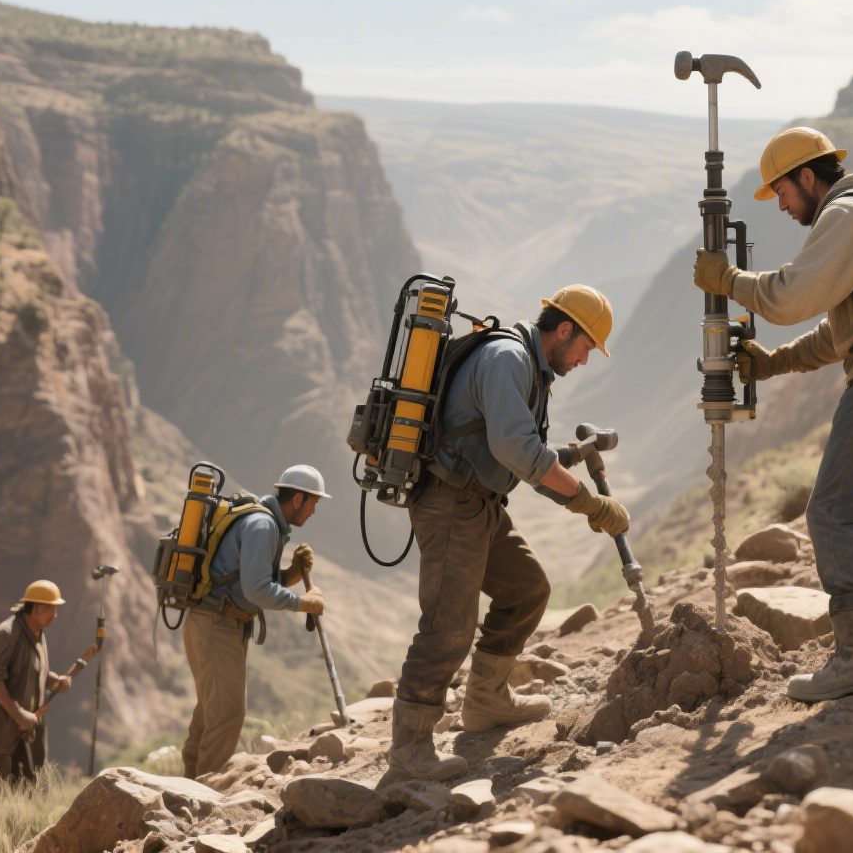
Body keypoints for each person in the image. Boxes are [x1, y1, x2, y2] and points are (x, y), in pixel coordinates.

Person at [693, 127, 853, 703]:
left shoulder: (847, 217)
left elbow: (790, 298)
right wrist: (771, 365)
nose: (783, 206)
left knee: (835, 514)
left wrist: (728, 280)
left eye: (783, 193)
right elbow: (849, 330)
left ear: (807, 177)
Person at [387, 285, 629, 780]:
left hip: (480, 500)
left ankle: (485, 701)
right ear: (564, 331)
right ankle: (410, 748)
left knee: (526, 590)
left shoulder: (528, 367)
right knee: (448, 625)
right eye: (586, 347)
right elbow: (517, 450)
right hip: (451, 502)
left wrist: (560, 459)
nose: (584, 360)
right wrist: (587, 502)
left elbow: (513, 448)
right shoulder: (507, 359)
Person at [180, 465, 328, 779]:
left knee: (212, 710)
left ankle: (188, 785)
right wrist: (304, 603)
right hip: (216, 624)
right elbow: (257, 590)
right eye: (314, 502)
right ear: (298, 498)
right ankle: (202, 794)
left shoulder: (262, 521)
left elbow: (249, 579)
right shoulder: (263, 525)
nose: (315, 510)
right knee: (227, 715)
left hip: (210, 620)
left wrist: (291, 575)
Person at [0, 580, 71, 789]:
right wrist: (19, 715)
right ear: (36, 608)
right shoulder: (6, 634)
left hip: (31, 727)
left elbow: (37, 674)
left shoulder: (38, 634)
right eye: (50, 609)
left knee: (32, 785)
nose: (55, 615)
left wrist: (56, 682)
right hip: (8, 727)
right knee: (3, 787)